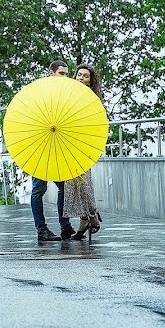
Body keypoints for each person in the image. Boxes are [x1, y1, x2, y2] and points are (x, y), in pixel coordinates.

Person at [31, 60, 74, 242]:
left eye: (66, 74)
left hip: (56, 146)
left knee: (64, 186)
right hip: (39, 146)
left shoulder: (65, 93)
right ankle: (42, 230)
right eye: (62, 73)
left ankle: (65, 226)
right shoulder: (39, 92)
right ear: (51, 73)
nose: (65, 77)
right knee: (38, 189)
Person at [64, 63, 104, 241]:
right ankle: (86, 219)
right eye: (78, 75)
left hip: (83, 143)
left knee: (83, 180)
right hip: (69, 142)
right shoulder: (69, 96)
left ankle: (92, 216)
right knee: (73, 183)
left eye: (85, 76)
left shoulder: (91, 99)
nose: (80, 78)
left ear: (90, 81)